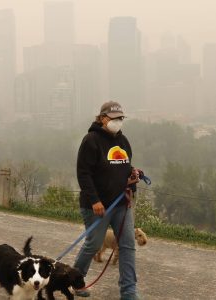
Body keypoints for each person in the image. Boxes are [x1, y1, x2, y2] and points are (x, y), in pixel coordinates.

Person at [73, 101, 141, 300]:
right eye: (114, 118)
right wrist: (95, 200)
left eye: (121, 118)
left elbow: (124, 168)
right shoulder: (91, 140)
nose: (118, 122)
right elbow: (83, 173)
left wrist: (133, 178)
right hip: (97, 206)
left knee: (127, 245)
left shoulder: (124, 142)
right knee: (94, 244)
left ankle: (129, 291)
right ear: (103, 118)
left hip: (121, 203)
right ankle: (75, 281)